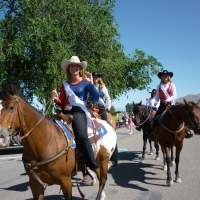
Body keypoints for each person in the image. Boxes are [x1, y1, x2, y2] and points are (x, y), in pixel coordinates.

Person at [52, 56, 100, 173]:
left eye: (76, 66)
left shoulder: (85, 81)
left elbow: (96, 98)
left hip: (79, 111)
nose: (74, 68)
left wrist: (92, 84)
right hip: (66, 111)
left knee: (81, 136)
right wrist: (56, 99)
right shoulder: (65, 84)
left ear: (80, 68)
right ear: (69, 68)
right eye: (72, 66)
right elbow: (62, 102)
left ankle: (90, 165)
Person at [148, 70, 192, 141]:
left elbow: (175, 95)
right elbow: (157, 97)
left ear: (168, 77)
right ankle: (153, 133)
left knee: (182, 115)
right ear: (161, 77)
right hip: (162, 105)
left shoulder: (172, 85)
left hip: (171, 104)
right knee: (156, 118)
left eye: (166, 76)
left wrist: (168, 99)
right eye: (163, 76)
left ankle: (186, 132)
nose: (164, 77)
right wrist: (155, 102)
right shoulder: (158, 86)